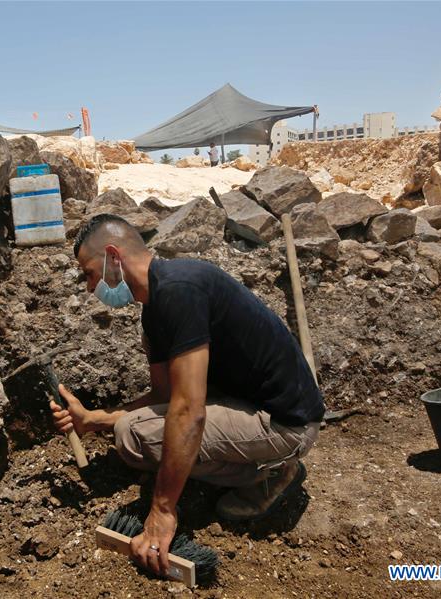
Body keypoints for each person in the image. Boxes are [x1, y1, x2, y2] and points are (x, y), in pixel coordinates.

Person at [50, 214, 325, 578]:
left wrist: (162, 510)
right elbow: (165, 395)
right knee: (131, 432)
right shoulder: (155, 310)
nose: (89, 288)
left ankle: (268, 474)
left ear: (113, 257)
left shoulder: (181, 290)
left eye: (88, 273)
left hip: (286, 423)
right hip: (247, 405)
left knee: (135, 436)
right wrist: (95, 420)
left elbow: (187, 410)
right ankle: (255, 465)